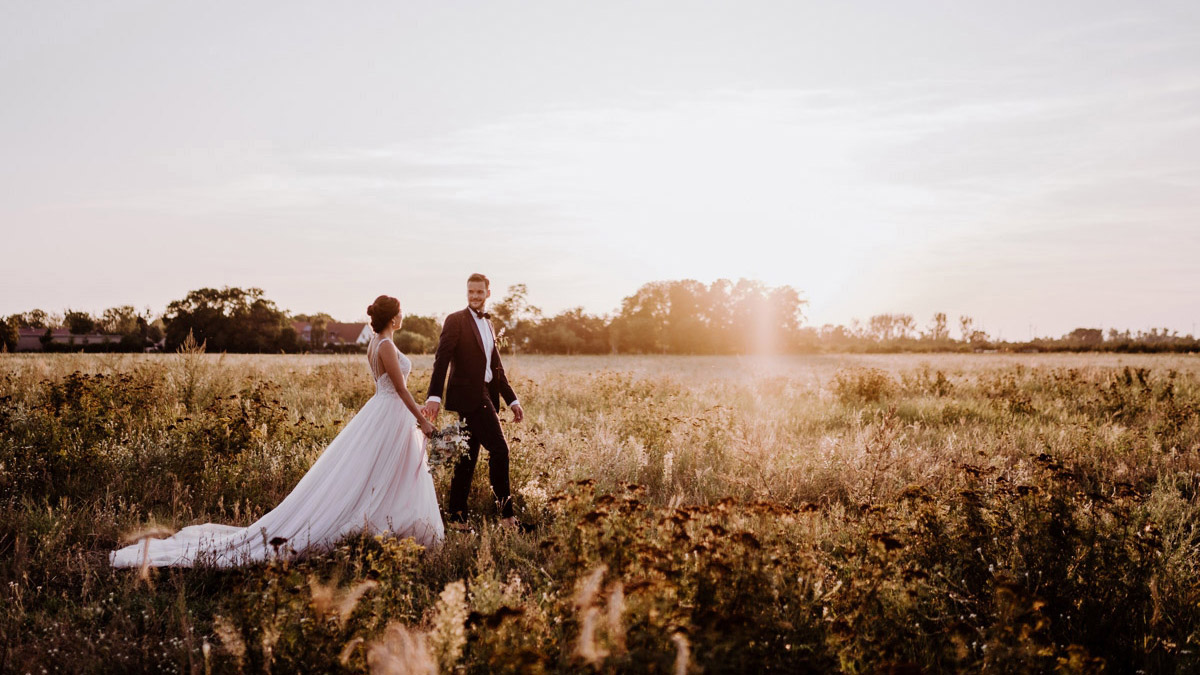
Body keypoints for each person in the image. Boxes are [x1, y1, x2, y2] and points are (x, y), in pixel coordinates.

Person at [110, 295, 443, 568]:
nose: (403, 318)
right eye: (401, 314)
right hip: (390, 412)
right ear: (393, 318)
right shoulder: (384, 345)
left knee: (388, 472)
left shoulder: (375, 343)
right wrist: (423, 420)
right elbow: (399, 390)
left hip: (385, 412)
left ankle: (392, 526)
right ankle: (382, 526)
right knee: (381, 473)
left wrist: (418, 413)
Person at [422, 273, 524, 529]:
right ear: (467, 293)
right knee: (500, 450)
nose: (475, 296)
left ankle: (457, 517)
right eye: (471, 292)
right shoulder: (455, 320)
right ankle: (507, 518)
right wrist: (434, 395)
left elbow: (496, 366)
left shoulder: (489, 324)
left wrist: (511, 399)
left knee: (468, 457)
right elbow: (441, 359)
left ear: (488, 293)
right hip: (470, 396)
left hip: (486, 394)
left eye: (480, 292)